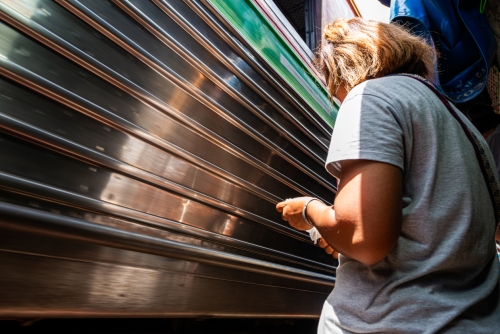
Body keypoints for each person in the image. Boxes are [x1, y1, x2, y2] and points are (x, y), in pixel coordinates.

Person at [277, 18, 500, 333]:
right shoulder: (462, 125)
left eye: (331, 82)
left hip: (390, 322)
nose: (337, 96)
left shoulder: (371, 97)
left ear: (342, 67)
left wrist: (310, 210)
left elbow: (363, 239)